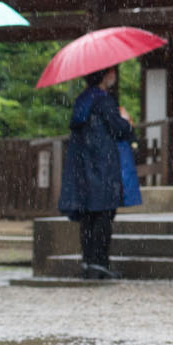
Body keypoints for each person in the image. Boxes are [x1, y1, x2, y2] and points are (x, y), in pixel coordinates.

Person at [57, 66, 138, 280]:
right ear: (104, 75)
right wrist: (127, 122)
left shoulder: (82, 100)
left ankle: (88, 261)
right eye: (111, 72)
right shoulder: (104, 101)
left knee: (89, 215)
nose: (113, 75)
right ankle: (100, 263)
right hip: (103, 165)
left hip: (84, 167)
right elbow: (120, 129)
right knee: (104, 213)